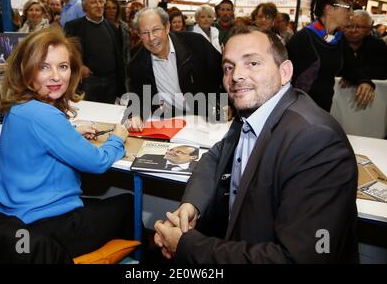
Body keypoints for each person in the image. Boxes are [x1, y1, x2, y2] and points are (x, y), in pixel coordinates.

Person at [154, 26, 359, 263]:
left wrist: (186, 245)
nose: (236, 76)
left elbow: (298, 259)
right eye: (229, 67)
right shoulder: (253, 112)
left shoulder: (317, 141)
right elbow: (218, 155)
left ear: (285, 72)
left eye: (252, 63)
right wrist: (191, 205)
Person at [0, 27, 133, 258]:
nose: (56, 77)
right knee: (128, 203)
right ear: (25, 70)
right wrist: (118, 137)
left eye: (63, 66)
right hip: (50, 227)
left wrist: (71, 133)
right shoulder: (45, 115)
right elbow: (98, 163)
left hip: (18, 222)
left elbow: (38, 139)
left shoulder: (18, 108)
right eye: (44, 67)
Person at [125, 7, 223, 132]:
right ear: (139, 35)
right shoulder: (137, 64)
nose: (151, 38)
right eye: (145, 33)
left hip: (206, 119)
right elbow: (137, 97)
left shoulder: (196, 43)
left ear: (167, 27)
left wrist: (226, 104)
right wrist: (134, 115)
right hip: (170, 122)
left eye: (156, 30)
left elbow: (224, 74)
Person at [287, 0, 374, 112]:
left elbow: (351, 68)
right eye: (348, 8)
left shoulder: (339, 39)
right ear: (329, 9)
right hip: (296, 110)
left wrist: (365, 81)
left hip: (323, 110)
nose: (351, 13)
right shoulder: (302, 39)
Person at [64, 0, 125, 104]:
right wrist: (79, 65)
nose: (99, 6)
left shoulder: (112, 27)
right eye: (93, 3)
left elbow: (119, 56)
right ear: (84, 7)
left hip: (111, 82)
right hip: (87, 82)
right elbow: (66, 53)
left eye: (101, 2)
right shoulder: (73, 27)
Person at [343, 10, 387, 80]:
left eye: (359, 27)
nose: (353, 30)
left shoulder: (378, 45)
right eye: (348, 26)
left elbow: (383, 71)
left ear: (369, 29)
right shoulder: (337, 43)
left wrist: (355, 76)